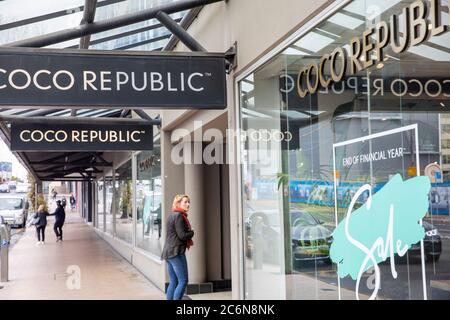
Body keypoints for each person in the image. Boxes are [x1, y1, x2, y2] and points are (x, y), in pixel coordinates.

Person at [161, 194, 194, 300]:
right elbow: (182, 235)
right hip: (176, 252)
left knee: (173, 281)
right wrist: (192, 233)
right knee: (183, 280)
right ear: (178, 203)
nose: (188, 204)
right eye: (185, 202)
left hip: (169, 253)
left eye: (188, 202)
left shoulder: (172, 215)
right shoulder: (179, 216)